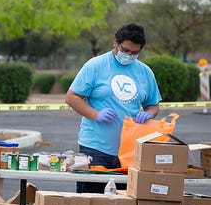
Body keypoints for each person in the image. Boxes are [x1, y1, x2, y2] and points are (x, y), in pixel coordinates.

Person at [65, 22, 162, 193]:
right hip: (95, 148)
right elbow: (72, 97)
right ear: (115, 43)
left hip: (129, 152)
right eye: (125, 50)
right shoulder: (95, 65)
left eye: (135, 53)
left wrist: (149, 114)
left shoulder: (145, 72)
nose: (129, 55)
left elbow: (153, 105)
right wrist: (96, 114)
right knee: (90, 204)